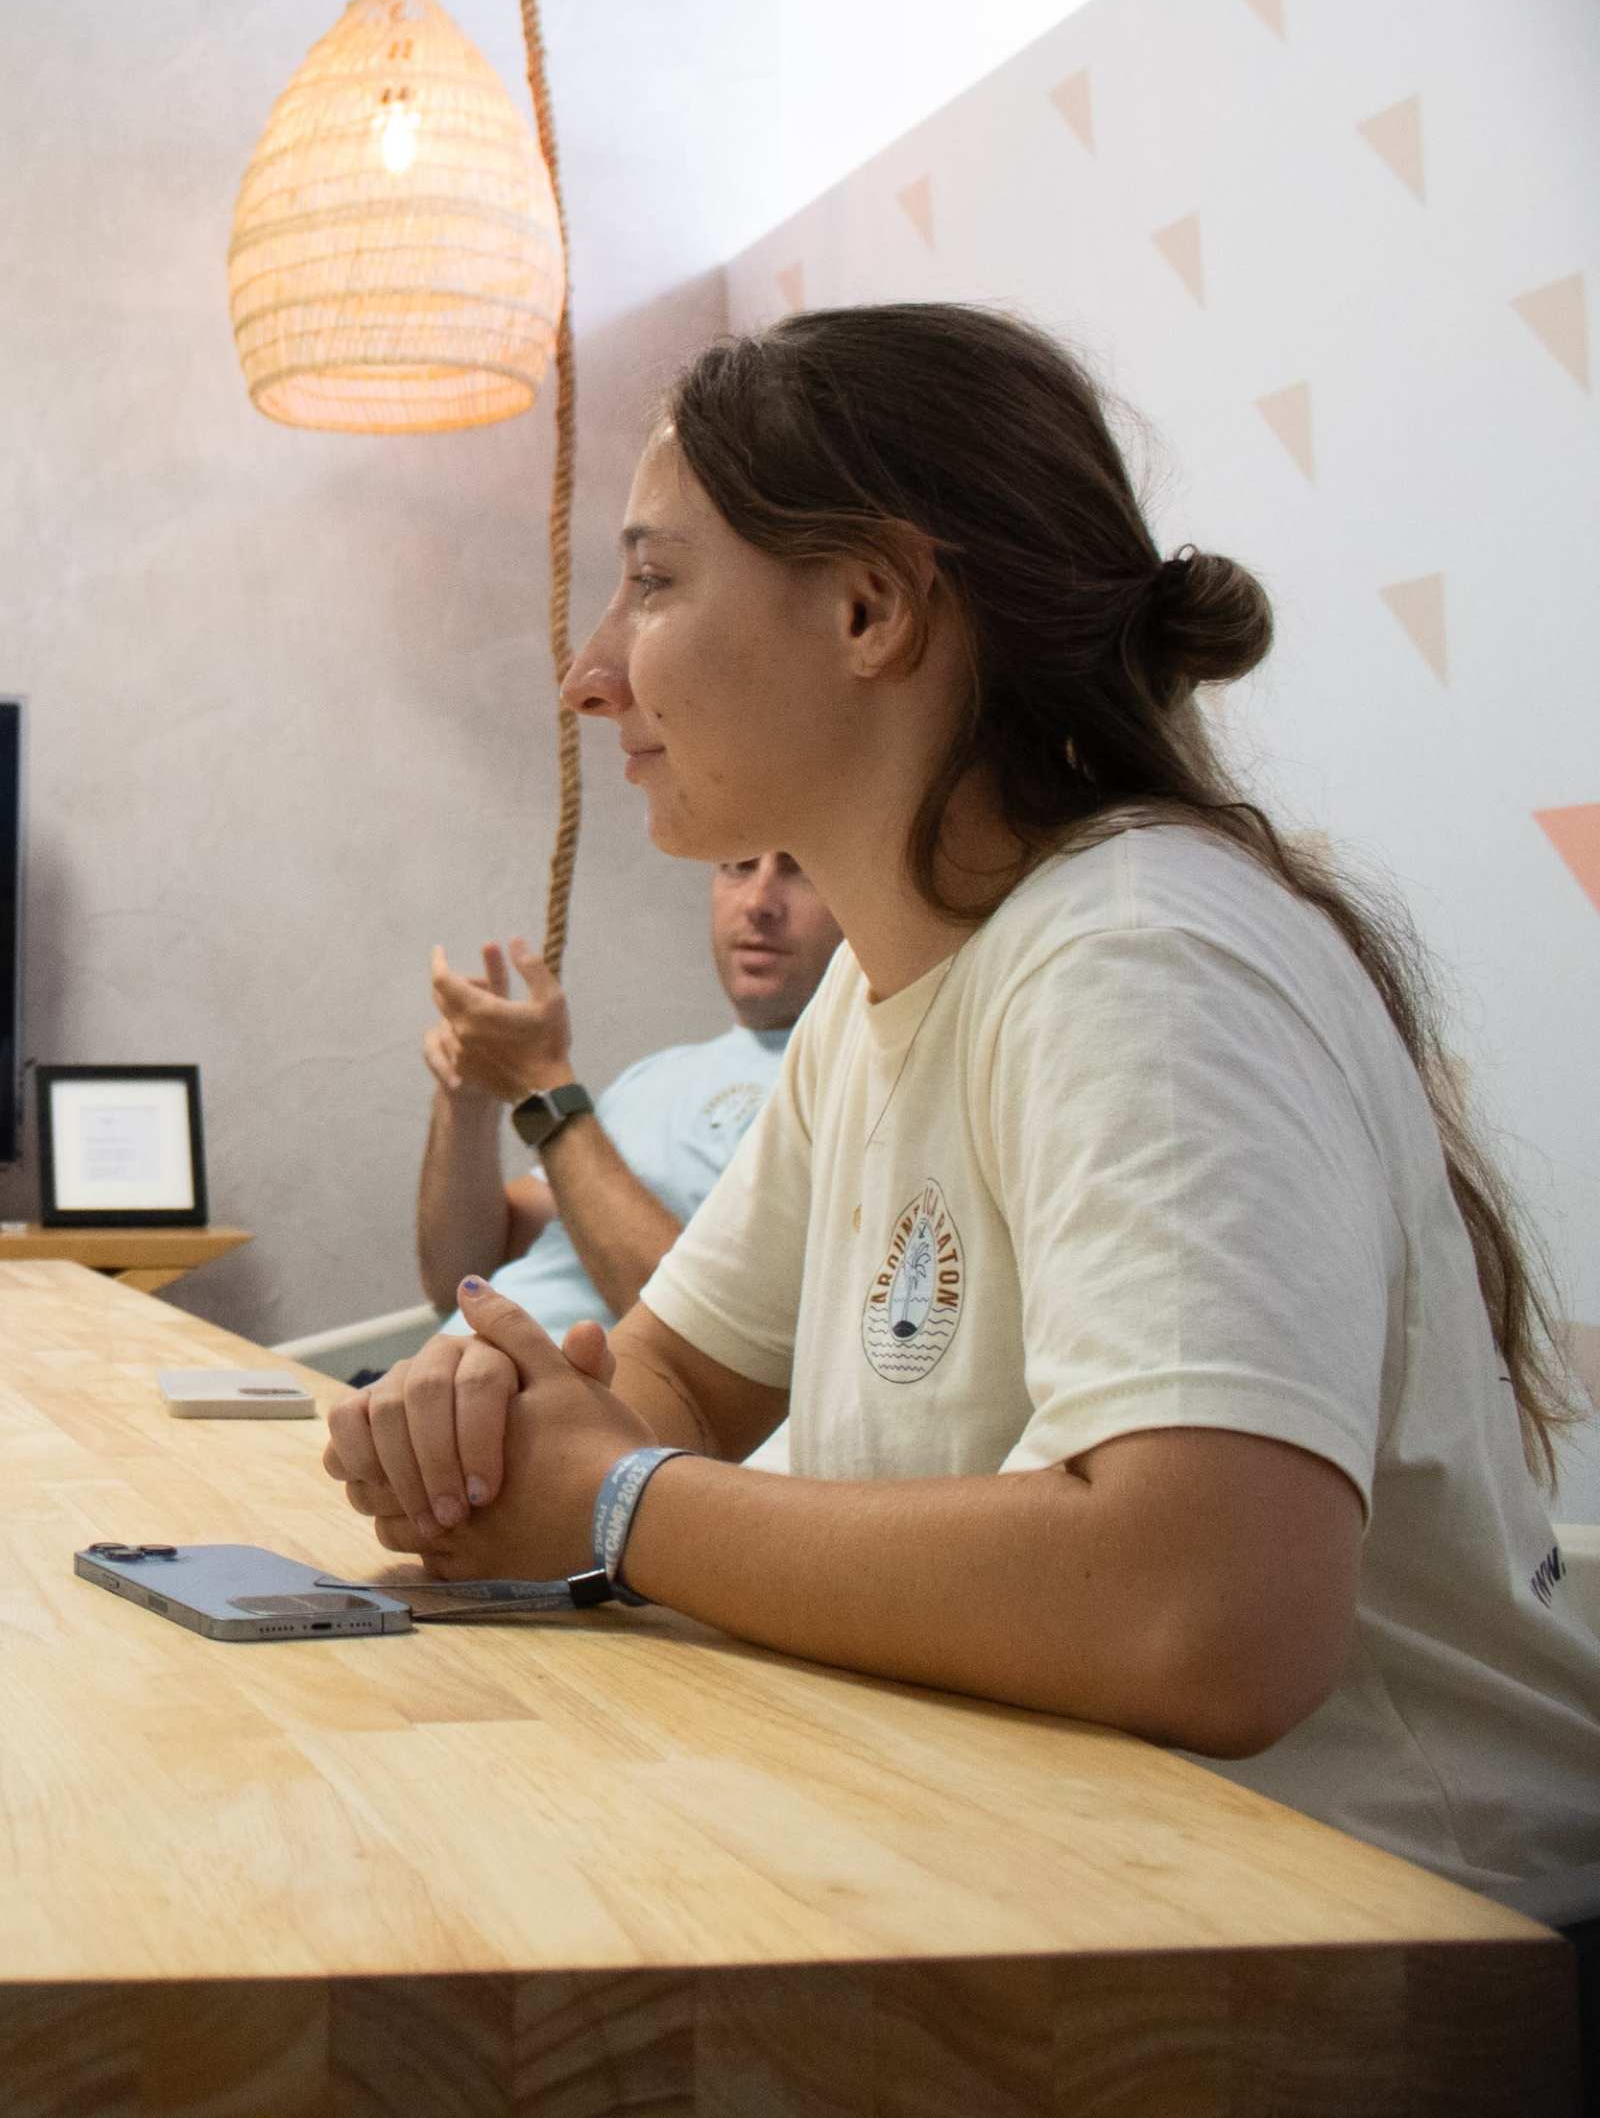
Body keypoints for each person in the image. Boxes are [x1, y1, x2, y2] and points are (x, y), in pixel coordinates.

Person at [324, 305, 1600, 1973]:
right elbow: (677, 1384)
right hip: (1096, 1907)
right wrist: (491, 1422)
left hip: (1400, 1957)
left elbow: (1210, 1607)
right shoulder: (879, 1000)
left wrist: (617, 1502)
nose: (590, 673)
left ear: (870, 606)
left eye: (650, 582)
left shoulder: (1145, 949)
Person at [413, 852, 839, 1336]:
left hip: (551, 1403)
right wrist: (466, 1097)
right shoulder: (658, 1074)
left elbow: (701, 1336)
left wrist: (546, 1085)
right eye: (739, 864)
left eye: (801, 865)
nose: (760, 902)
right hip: (434, 1385)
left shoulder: (851, 1086)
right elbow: (459, 1275)